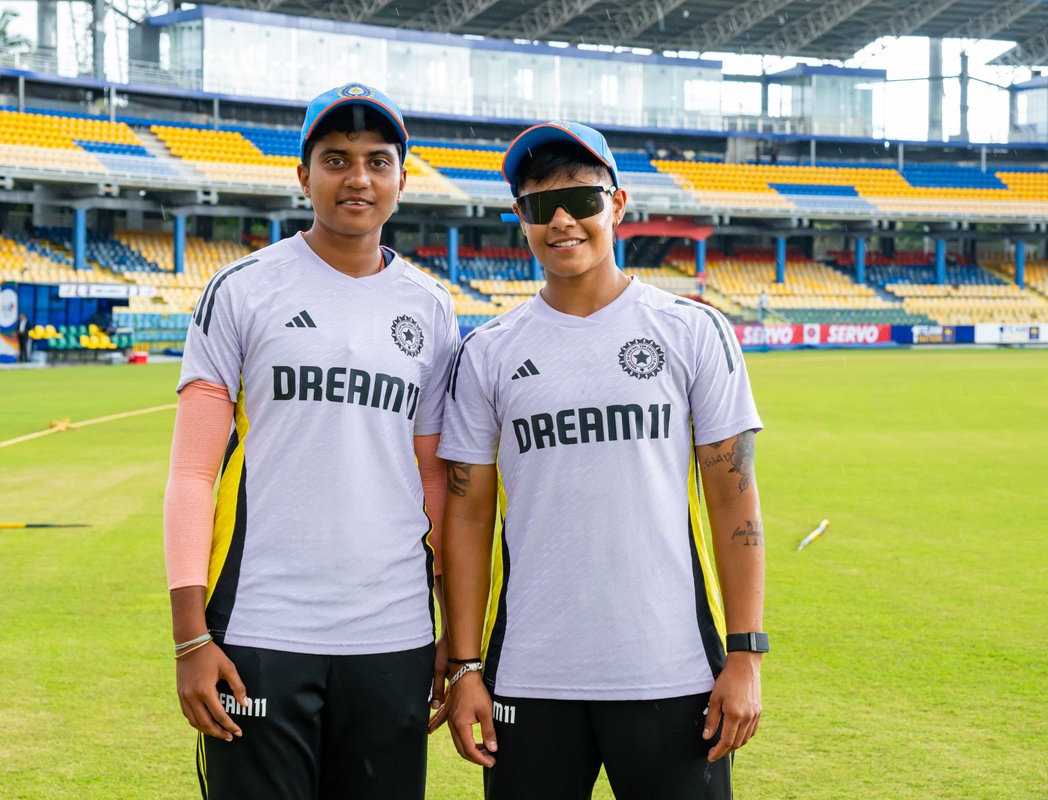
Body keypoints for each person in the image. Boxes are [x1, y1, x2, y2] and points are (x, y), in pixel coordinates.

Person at [439, 121, 767, 800]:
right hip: (528, 674)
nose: (561, 220)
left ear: (616, 205)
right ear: (521, 219)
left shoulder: (691, 330)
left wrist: (745, 653)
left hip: (673, 670)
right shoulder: (488, 351)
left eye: (581, 200)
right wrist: (466, 666)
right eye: (539, 205)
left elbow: (733, 498)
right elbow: (466, 516)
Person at [164, 82, 460, 800]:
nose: (358, 178)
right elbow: (192, 475)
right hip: (261, 627)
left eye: (377, 161)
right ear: (303, 175)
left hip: (393, 631)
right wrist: (191, 635)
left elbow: (435, 480)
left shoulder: (431, 307)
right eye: (336, 160)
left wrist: (454, 631)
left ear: (401, 179)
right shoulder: (242, 289)